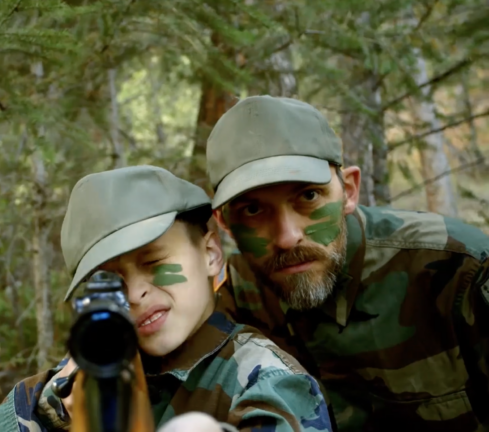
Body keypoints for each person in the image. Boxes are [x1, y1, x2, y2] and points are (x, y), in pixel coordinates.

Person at [205, 95, 489, 432]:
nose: (287, 237)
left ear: (349, 191)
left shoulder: (459, 269)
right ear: (224, 222)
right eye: (253, 210)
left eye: (308, 196)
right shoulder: (233, 296)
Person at [0, 165, 332, 432]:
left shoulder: (271, 385)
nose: (135, 294)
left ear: (210, 253)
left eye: (154, 263)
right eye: (110, 282)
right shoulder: (50, 397)